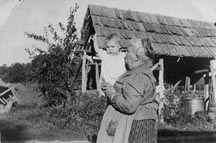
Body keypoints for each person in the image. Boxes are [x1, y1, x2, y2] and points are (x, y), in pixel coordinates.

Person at [97, 38, 158, 143]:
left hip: (137, 126)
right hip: (138, 122)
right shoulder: (138, 73)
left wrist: (112, 94)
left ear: (135, 57)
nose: (125, 55)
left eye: (127, 51)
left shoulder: (138, 76)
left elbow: (130, 106)